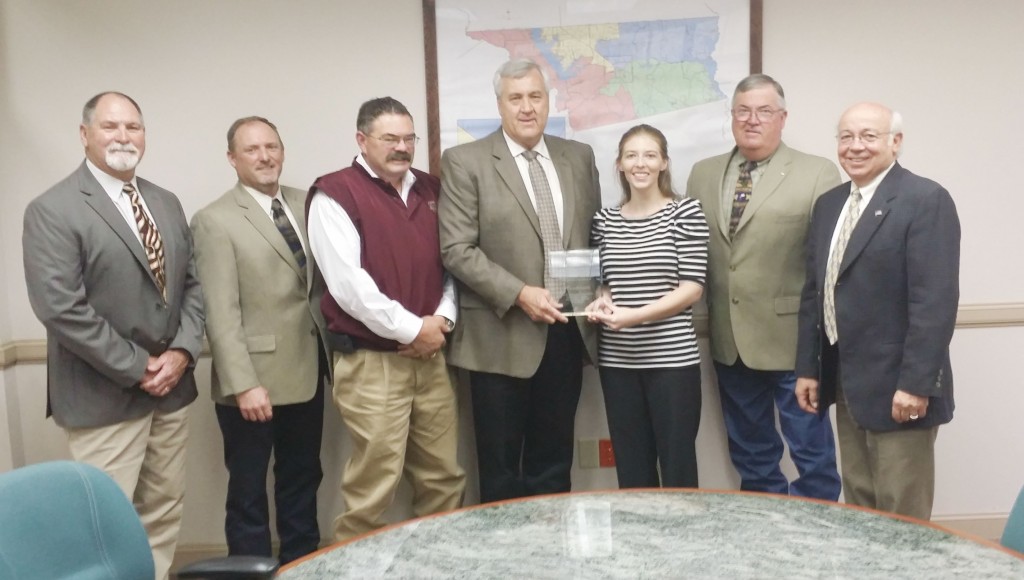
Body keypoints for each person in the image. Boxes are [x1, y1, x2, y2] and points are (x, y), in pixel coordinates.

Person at [22, 92, 204, 580]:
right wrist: (138, 365)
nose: (124, 136)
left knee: (163, 513)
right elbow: (60, 307)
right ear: (85, 135)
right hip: (104, 396)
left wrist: (184, 352)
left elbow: (191, 285)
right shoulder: (53, 209)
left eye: (134, 127)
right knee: (105, 526)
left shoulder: (165, 202)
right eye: (110, 126)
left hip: (172, 390)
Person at [438, 59, 602, 503]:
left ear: (548, 101)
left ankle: (550, 558)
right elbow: (457, 249)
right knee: (501, 468)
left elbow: (593, 236)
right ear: (500, 105)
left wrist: (598, 292)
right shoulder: (464, 161)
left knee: (554, 464)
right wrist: (519, 293)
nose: (527, 108)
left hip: (567, 331)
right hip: (500, 336)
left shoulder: (578, 157)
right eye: (516, 98)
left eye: (536, 96)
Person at [306, 97, 465, 540]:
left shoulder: (432, 189)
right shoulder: (334, 193)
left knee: (443, 479)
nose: (401, 147)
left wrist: (441, 324)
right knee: (372, 488)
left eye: (408, 138)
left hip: (432, 357)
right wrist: (415, 329)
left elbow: (451, 267)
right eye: (389, 138)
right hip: (372, 364)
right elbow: (349, 287)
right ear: (362, 140)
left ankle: (439, 567)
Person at [795, 102, 960, 520]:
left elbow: (934, 303)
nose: (855, 147)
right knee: (862, 509)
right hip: (847, 385)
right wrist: (809, 369)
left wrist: (916, 385)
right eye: (846, 137)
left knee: (902, 515)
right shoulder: (830, 204)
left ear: (895, 143)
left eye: (869, 136)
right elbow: (815, 291)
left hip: (900, 390)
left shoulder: (924, 199)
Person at [686, 74, 842, 499]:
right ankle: (766, 533)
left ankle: (821, 538)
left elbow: (830, 263)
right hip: (729, 340)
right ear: (732, 116)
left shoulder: (818, 173)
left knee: (812, 452)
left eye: (764, 111)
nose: (752, 120)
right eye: (743, 110)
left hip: (794, 343)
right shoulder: (703, 174)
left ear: (782, 118)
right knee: (751, 454)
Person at [191, 117, 327, 563]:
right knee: (248, 493)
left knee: (302, 480)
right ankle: (247, 572)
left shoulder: (309, 203)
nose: (265, 156)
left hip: (308, 371)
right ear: (232, 159)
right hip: (253, 383)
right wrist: (243, 383)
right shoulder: (215, 220)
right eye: (252, 150)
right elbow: (220, 310)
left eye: (272, 146)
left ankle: (302, 568)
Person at [585, 124, 708, 488]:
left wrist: (633, 317)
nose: (641, 163)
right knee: (631, 470)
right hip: (617, 364)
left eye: (650, 155)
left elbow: (692, 289)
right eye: (632, 156)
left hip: (673, 363)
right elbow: (603, 283)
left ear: (664, 163)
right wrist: (603, 300)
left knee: (677, 466)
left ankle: (681, 545)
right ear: (620, 165)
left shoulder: (685, 212)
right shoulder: (603, 221)